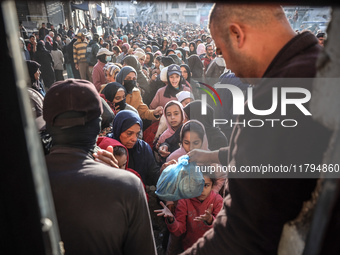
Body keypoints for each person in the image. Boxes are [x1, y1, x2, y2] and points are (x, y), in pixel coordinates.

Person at [182, 4, 332, 254]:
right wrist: (212, 155)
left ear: (237, 35)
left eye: (221, 50)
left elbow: (242, 236)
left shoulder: (275, 98)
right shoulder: (321, 70)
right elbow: (285, 155)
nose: (226, 64)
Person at [43, 79, 156, 255]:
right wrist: (116, 176)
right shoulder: (127, 187)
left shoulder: (25, 181)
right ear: (99, 125)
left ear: (48, 126)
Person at [155, 174, 223, 253]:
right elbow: (179, 231)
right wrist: (172, 220)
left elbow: (220, 231)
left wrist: (210, 220)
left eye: (206, 185)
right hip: (189, 248)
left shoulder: (217, 200)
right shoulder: (185, 200)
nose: (201, 190)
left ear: (212, 186)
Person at [108, 110, 160, 186]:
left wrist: (162, 171)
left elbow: (153, 175)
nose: (134, 139)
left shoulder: (143, 148)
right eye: (129, 133)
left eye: (137, 134)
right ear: (118, 129)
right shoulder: (108, 147)